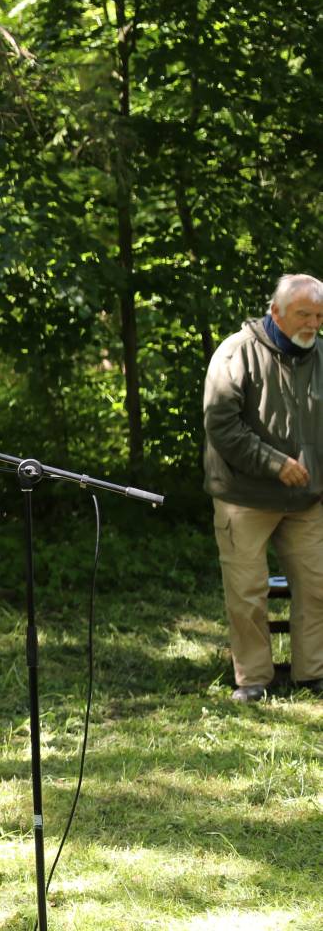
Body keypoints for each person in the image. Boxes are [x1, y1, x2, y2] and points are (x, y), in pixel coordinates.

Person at [203, 272, 323, 702]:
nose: (312, 323)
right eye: (303, 314)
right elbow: (221, 424)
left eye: (319, 315)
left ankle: (313, 674)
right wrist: (275, 464)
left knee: (317, 586)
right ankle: (254, 679)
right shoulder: (237, 352)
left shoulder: (321, 356)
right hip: (244, 496)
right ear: (276, 312)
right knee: (247, 592)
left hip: (307, 499)